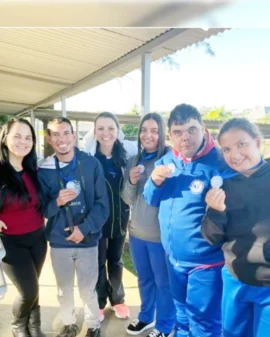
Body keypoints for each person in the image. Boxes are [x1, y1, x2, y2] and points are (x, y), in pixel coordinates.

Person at [143, 104, 228, 337]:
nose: (185, 138)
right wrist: (154, 182)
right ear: (170, 134)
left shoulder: (220, 163)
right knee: (181, 316)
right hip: (173, 259)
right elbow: (150, 199)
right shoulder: (167, 160)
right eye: (178, 132)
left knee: (204, 323)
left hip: (206, 263)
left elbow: (233, 214)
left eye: (191, 130)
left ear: (203, 128)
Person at [38, 117, 109, 337]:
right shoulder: (44, 170)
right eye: (55, 134)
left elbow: (102, 204)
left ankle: (93, 324)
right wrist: (56, 202)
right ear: (49, 139)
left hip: (87, 241)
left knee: (88, 290)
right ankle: (69, 323)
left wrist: (84, 229)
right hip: (59, 242)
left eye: (66, 133)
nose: (61, 139)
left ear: (74, 134)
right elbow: (42, 209)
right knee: (64, 290)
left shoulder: (90, 163)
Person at [202, 118, 270, 337]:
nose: (235, 154)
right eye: (227, 148)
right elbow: (212, 237)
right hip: (235, 278)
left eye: (242, 144)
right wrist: (216, 210)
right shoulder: (225, 185)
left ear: (257, 143)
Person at [122, 113, 175, 337]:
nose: (148, 135)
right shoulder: (134, 160)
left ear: (162, 134)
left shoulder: (170, 159)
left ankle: (165, 325)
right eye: (144, 130)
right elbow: (127, 198)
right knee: (144, 279)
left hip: (160, 236)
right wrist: (132, 181)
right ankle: (146, 317)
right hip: (136, 233)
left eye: (154, 130)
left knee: (164, 283)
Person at [83, 112, 136, 321]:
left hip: (119, 219)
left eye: (111, 128)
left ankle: (118, 300)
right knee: (97, 261)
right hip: (96, 221)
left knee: (115, 260)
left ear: (118, 131)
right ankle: (99, 302)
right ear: (94, 132)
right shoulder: (88, 158)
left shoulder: (125, 156)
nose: (106, 133)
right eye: (101, 128)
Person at [0, 118, 47, 337]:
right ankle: (19, 324)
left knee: (34, 285)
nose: (23, 141)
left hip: (38, 238)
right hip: (11, 242)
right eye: (17, 136)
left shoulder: (34, 169)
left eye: (28, 137)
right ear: (5, 138)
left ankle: (34, 325)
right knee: (28, 290)